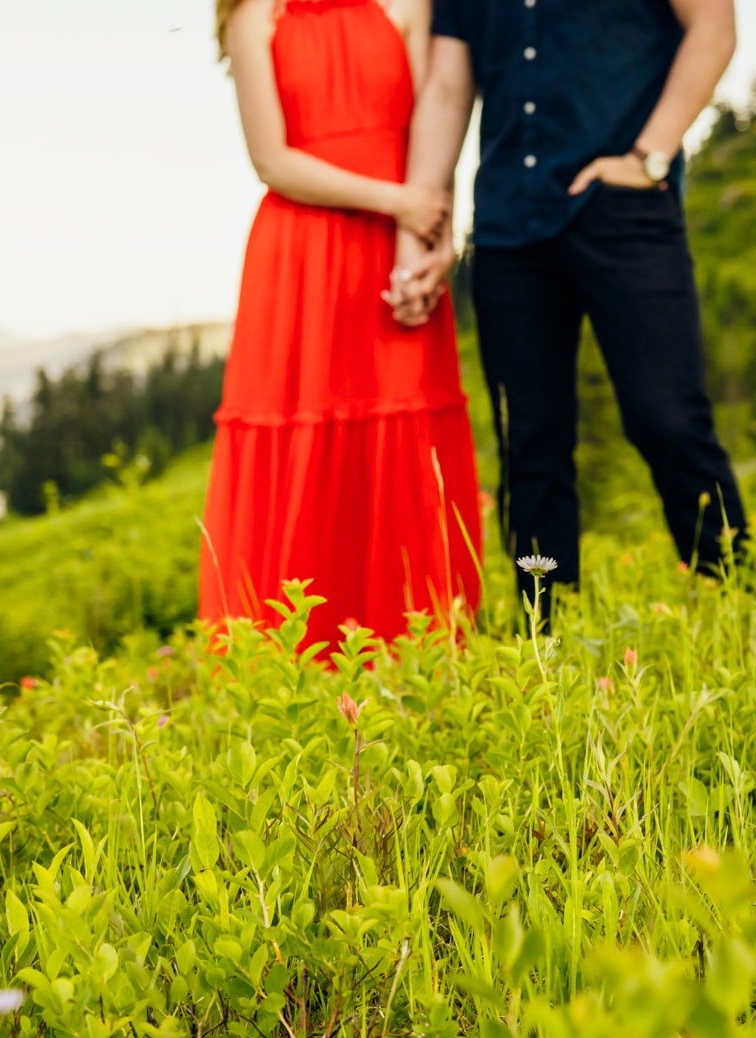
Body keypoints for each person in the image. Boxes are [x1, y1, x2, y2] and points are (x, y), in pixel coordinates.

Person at [389, 0, 748, 623]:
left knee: (667, 418)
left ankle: (738, 597)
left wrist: (649, 156)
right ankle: (544, 629)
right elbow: (448, 91)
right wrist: (425, 225)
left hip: (626, 210)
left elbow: (714, 26)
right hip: (507, 226)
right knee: (529, 442)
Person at [200, 0, 483, 654]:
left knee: (403, 432)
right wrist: (400, 204)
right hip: (304, 256)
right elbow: (271, 161)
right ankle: (298, 658)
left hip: (398, 247)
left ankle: (418, 651)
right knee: (306, 429)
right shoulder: (254, 15)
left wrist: (433, 236)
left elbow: (433, 127)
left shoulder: (406, 3)